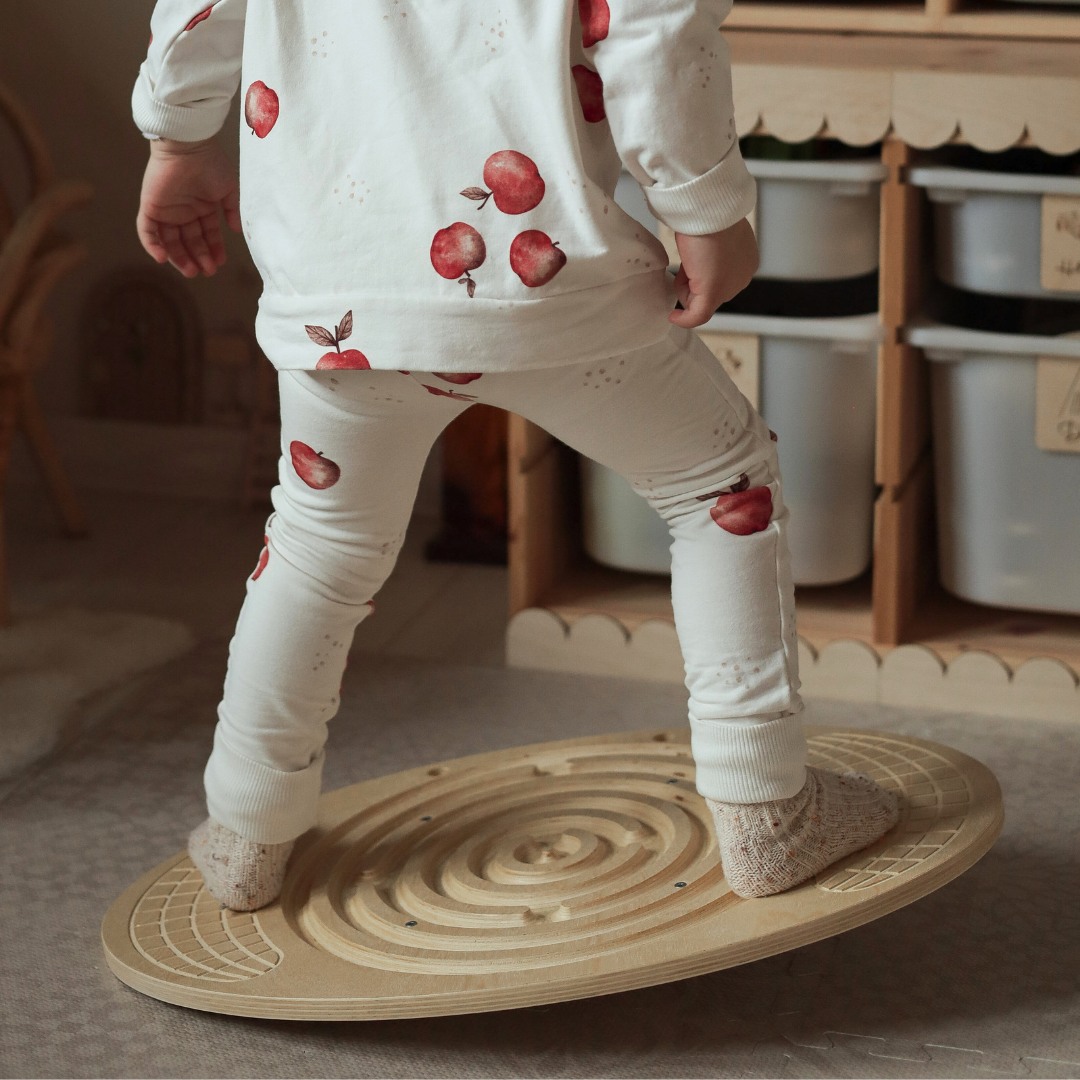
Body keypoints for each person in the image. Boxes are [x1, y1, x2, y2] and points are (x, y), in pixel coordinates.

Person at [132, 0, 899, 911]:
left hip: (340, 303)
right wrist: (705, 207)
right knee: (718, 486)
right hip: (554, 291)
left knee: (316, 551)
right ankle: (767, 811)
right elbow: (650, 22)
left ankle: (245, 834)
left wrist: (177, 140)